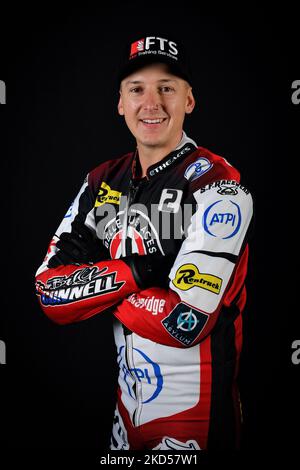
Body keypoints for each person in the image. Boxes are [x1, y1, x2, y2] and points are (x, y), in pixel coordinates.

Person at [35, 34, 253, 451]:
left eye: (166, 88)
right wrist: (138, 272)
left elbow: (184, 324)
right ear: (121, 103)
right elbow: (47, 291)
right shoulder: (102, 181)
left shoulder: (220, 186)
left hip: (195, 425)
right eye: (137, 89)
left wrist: (94, 289)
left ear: (189, 100)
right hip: (124, 417)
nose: (151, 104)